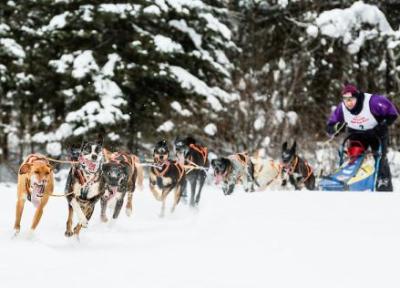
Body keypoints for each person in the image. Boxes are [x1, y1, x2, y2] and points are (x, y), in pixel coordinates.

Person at [327, 84, 398, 191]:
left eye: (351, 99)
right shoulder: (342, 108)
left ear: (358, 97)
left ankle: (384, 185)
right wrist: (337, 128)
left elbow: (393, 113)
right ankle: (355, 184)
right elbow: (330, 126)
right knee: (355, 157)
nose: (348, 103)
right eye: (345, 100)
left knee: (380, 158)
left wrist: (382, 125)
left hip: (376, 133)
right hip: (356, 134)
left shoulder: (373, 101)